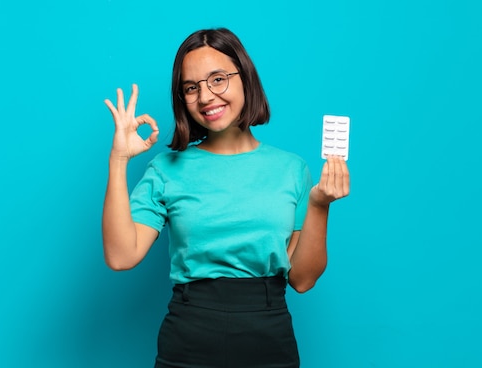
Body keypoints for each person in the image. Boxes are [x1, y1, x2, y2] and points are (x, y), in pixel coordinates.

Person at [102, 28, 349, 368]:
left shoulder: (291, 169)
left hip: (269, 336)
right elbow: (120, 256)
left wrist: (320, 204)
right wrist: (118, 160)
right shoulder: (167, 169)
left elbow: (302, 279)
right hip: (188, 338)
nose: (205, 97)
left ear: (245, 78)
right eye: (191, 88)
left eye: (217, 79)